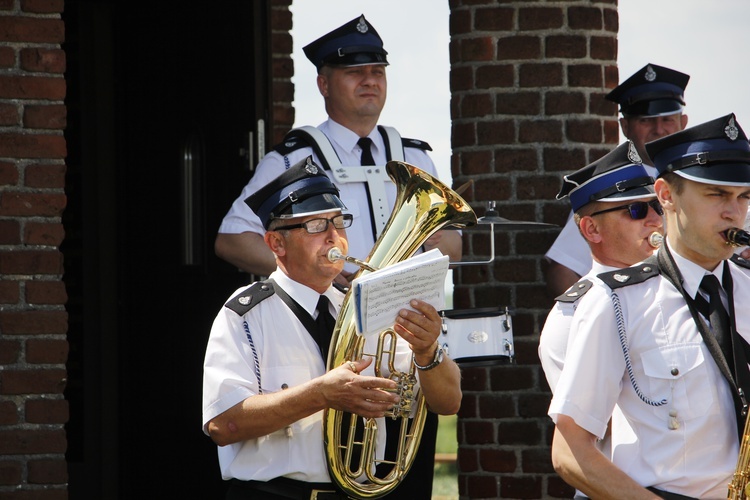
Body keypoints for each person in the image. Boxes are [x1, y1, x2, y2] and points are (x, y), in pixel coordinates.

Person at [202, 158, 462, 500]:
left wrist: (428, 351)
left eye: (340, 222)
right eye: (315, 226)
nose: (334, 237)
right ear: (276, 244)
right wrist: (321, 394)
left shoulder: (369, 306)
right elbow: (223, 425)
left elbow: (448, 402)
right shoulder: (246, 313)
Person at [548, 113, 750, 499]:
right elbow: (570, 453)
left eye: (744, 196)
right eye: (716, 194)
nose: (734, 212)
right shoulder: (615, 301)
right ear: (666, 195)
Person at [215, 14, 461, 282]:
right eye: (355, 72)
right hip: (329, 316)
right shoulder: (292, 161)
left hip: (407, 314)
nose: (369, 81)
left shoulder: (415, 159)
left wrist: (435, 241)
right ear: (324, 85)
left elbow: (453, 248)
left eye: (377, 71)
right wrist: (311, 275)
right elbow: (232, 240)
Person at [544, 63, 689, 297]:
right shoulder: (611, 188)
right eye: (645, 120)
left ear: (683, 123)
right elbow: (563, 270)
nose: (659, 129)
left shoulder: (703, 183)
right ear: (625, 126)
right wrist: (604, 321)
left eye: (667, 120)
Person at [539, 140, 664, 392]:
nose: (655, 219)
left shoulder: (683, 290)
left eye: (657, 206)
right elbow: (588, 427)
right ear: (592, 229)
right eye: (636, 210)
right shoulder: (570, 319)